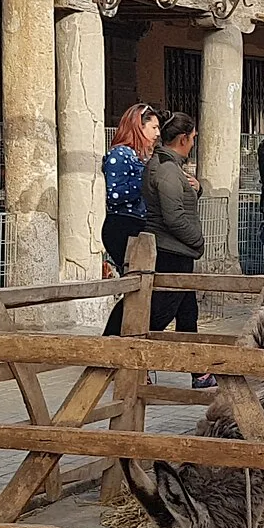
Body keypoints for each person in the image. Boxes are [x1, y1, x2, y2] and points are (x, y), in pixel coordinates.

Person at [142, 111, 214, 386]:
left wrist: (195, 190)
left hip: (175, 249)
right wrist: (197, 240)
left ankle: (198, 370)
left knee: (187, 314)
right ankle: (137, 364)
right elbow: (174, 216)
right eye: (193, 138)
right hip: (173, 250)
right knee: (161, 312)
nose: (194, 143)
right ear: (183, 138)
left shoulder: (166, 166)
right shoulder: (168, 170)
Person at [100, 103, 161, 273]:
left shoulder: (140, 157)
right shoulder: (119, 154)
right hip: (122, 224)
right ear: (138, 127)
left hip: (139, 224)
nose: (158, 133)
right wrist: (146, 181)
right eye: (154, 127)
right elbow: (113, 194)